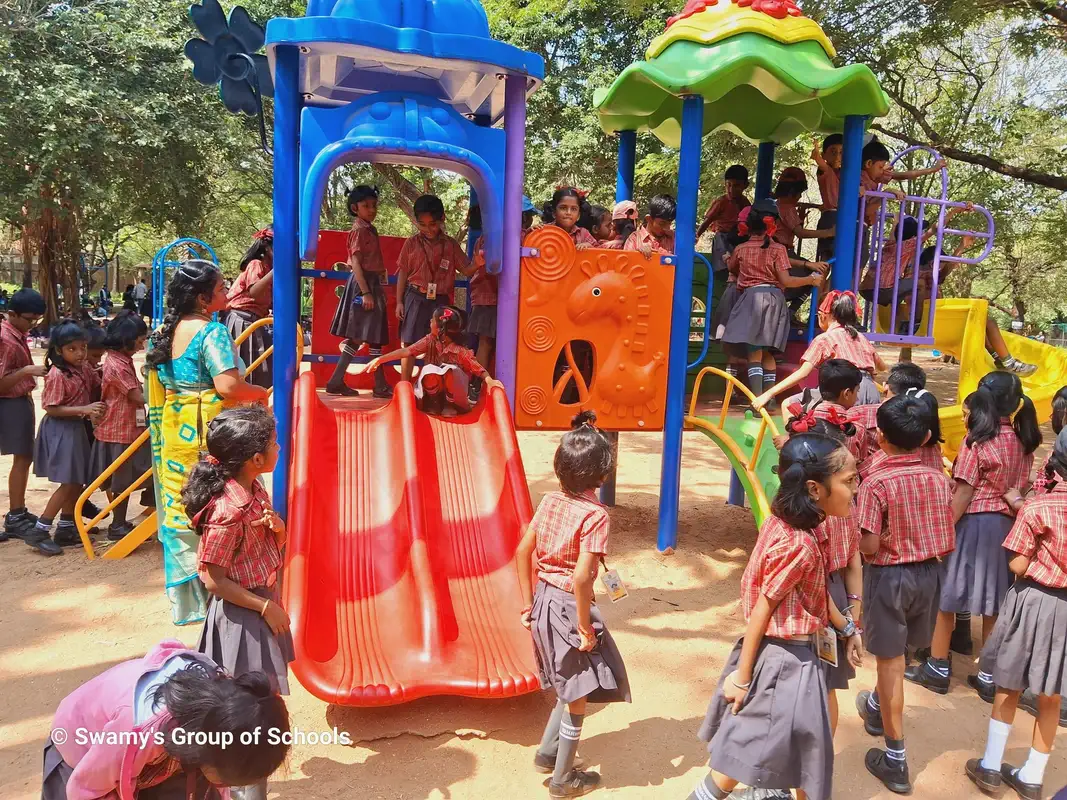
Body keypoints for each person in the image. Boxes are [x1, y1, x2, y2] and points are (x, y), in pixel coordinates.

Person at [689, 431, 858, 800]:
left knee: (788, 757)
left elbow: (814, 590)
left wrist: (847, 627)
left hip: (795, 657)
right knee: (742, 762)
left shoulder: (798, 526)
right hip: (785, 663)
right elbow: (765, 606)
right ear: (815, 489)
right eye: (848, 481)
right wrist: (742, 677)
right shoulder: (799, 543)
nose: (855, 488)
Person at [146, 259, 269, 626]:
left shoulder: (162, 333)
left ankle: (191, 594)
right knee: (221, 502)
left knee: (184, 501)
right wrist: (260, 393)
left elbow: (165, 384)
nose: (227, 292)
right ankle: (227, 588)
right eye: (219, 289)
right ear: (202, 298)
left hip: (174, 426)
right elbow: (228, 386)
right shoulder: (210, 333)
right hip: (208, 429)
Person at [514, 411, 630, 798]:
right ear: (602, 474)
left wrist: (527, 603)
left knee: (569, 682)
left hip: (545, 599)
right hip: (568, 605)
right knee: (578, 694)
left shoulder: (548, 500)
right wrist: (584, 626)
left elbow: (522, 551)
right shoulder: (596, 515)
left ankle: (548, 754)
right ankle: (562, 780)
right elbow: (583, 577)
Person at [182, 405, 294, 800]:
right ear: (256, 459)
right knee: (250, 712)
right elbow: (212, 576)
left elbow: (260, 550)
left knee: (259, 704)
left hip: (260, 606)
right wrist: (265, 607)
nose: (279, 447)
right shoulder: (229, 510)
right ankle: (245, 789)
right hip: (244, 616)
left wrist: (277, 531)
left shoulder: (254, 489)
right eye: (274, 443)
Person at [907, 371, 1040, 697]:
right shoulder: (1024, 442)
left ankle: (937, 666)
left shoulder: (977, 441)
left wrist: (942, 532)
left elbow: (963, 494)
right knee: (994, 604)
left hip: (974, 525)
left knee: (948, 599)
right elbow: (1020, 486)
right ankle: (988, 675)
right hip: (1007, 529)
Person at [853, 394, 956, 794]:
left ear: (879, 436)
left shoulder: (877, 482)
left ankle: (895, 759)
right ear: (927, 435)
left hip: (890, 578)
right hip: (930, 575)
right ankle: (877, 708)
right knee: (905, 654)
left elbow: (870, 545)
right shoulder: (937, 477)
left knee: (890, 665)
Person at [43, 639, 290, 800]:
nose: (229, 785)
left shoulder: (223, 706)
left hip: (147, 758)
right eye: (228, 779)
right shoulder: (138, 730)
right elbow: (84, 790)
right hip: (82, 758)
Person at [964, 427, 1067, 800]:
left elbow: (1019, 563)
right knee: (1052, 694)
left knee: (1008, 685)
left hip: (1035, 600)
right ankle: (1033, 777)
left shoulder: (1039, 506)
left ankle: (991, 767)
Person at [720, 199, 822, 400]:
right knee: (767, 353)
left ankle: (757, 401)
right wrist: (811, 279)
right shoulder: (778, 250)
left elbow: (732, 268)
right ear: (771, 226)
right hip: (775, 301)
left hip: (750, 300)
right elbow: (786, 280)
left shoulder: (741, 249)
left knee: (754, 352)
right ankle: (770, 400)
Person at [26, 320, 105, 555]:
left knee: (77, 479)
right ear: (59, 350)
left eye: (82, 348)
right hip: (61, 429)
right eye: (73, 349)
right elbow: (51, 407)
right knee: (68, 482)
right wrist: (85, 409)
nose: (80, 353)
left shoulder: (83, 369)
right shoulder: (58, 374)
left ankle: (66, 526)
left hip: (76, 429)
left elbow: (96, 385)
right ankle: (40, 529)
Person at [754, 289, 887, 411]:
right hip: (870, 392)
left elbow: (802, 373)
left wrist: (768, 394)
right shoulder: (860, 337)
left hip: (843, 391)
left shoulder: (824, 339)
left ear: (824, 315)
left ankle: (795, 437)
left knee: (789, 405)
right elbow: (881, 367)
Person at [88, 311, 155, 541]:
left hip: (128, 429)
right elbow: (138, 396)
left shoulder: (122, 361)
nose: (141, 343)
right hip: (119, 431)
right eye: (139, 338)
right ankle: (117, 524)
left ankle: (122, 519)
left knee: (129, 477)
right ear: (127, 338)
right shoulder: (116, 365)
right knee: (121, 481)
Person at [366, 306, 502, 415]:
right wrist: (380, 359)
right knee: (430, 369)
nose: (430, 322)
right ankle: (434, 403)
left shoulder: (460, 351)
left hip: (456, 398)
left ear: (440, 329)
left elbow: (478, 369)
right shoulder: (430, 340)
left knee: (450, 370)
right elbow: (407, 351)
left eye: (432, 320)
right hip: (433, 393)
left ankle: (449, 405)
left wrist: (490, 381)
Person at [327, 186, 393, 398]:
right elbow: (355, 263)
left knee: (370, 335)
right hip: (363, 284)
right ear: (355, 208)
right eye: (366, 206)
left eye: (374, 205)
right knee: (361, 335)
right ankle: (375, 384)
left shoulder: (368, 228)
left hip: (371, 283)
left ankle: (342, 381)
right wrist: (365, 292)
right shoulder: (359, 230)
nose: (372, 209)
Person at [394, 194, 469, 383]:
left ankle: (429, 387)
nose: (428, 229)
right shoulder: (411, 244)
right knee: (409, 342)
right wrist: (399, 302)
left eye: (433, 224)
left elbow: (467, 269)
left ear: (442, 218)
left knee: (436, 344)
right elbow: (403, 273)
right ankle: (404, 386)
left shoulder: (451, 245)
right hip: (415, 296)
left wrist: (478, 263)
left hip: (440, 301)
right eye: (423, 224)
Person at [0, 288, 47, 541]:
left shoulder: (16, 334)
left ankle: (18, 510)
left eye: (36, 320)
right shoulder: (5, 339)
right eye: (29, 319)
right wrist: (26, 371)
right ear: (12, 314)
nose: (33, 324)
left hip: (20, 400)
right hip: (9, 402)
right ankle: (15, 516)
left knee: (25, 457)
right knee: (21, 458)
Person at [784, 359, 869, 462]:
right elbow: (862, 463)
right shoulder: (857, 428)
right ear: (846, 393)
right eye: (857, 391)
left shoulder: (803, 423)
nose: (857, 396)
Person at [225, 227, 275, 390]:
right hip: (243, 319)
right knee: (248, 367)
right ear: (268, 248)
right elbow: (254, 291)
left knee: (261, 367)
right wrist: (277, 270)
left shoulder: (268, 268)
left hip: (254, 320)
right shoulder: (256, 264)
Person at [695, 164, 751, 242]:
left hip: (740, 238)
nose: (731, 189)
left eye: (736, 185)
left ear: (746, 185)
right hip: (723, 239)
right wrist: (697, 236)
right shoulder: (721, 202)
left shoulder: (745, 202)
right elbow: (707, 221)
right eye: (728, 185)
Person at [811, 134, 842, 263]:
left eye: (842, 152)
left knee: (830, 261)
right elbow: (822, 165)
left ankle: (821, 283)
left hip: (836, 217)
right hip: (831, 218)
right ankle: (819, 283)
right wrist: (816, 157)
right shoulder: (825, 170)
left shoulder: (845, 173)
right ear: (824, 155)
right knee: (828, 261)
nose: (837, 157)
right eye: (833, 152)